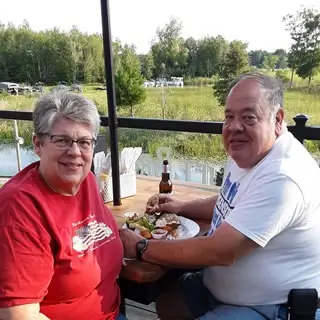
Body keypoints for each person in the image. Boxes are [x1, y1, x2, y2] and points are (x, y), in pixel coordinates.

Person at [120, 72, 320, 320]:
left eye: (249, 117)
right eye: (229, 116)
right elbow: (234, 201)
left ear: (278, 119)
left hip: (270, 305)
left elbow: (221, 251)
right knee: (168, 300)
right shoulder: (249, 151)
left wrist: (141, 247)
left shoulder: (283, 177)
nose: (235, 127)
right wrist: (181, 207)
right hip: (220, 283)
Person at [0, 91, 126, 320]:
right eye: (62, 140)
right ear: (38, 144)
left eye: (84, 142)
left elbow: (99, 232)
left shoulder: (85, 180)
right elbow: (18, 315)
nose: (75, 152)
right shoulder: (21, 208)